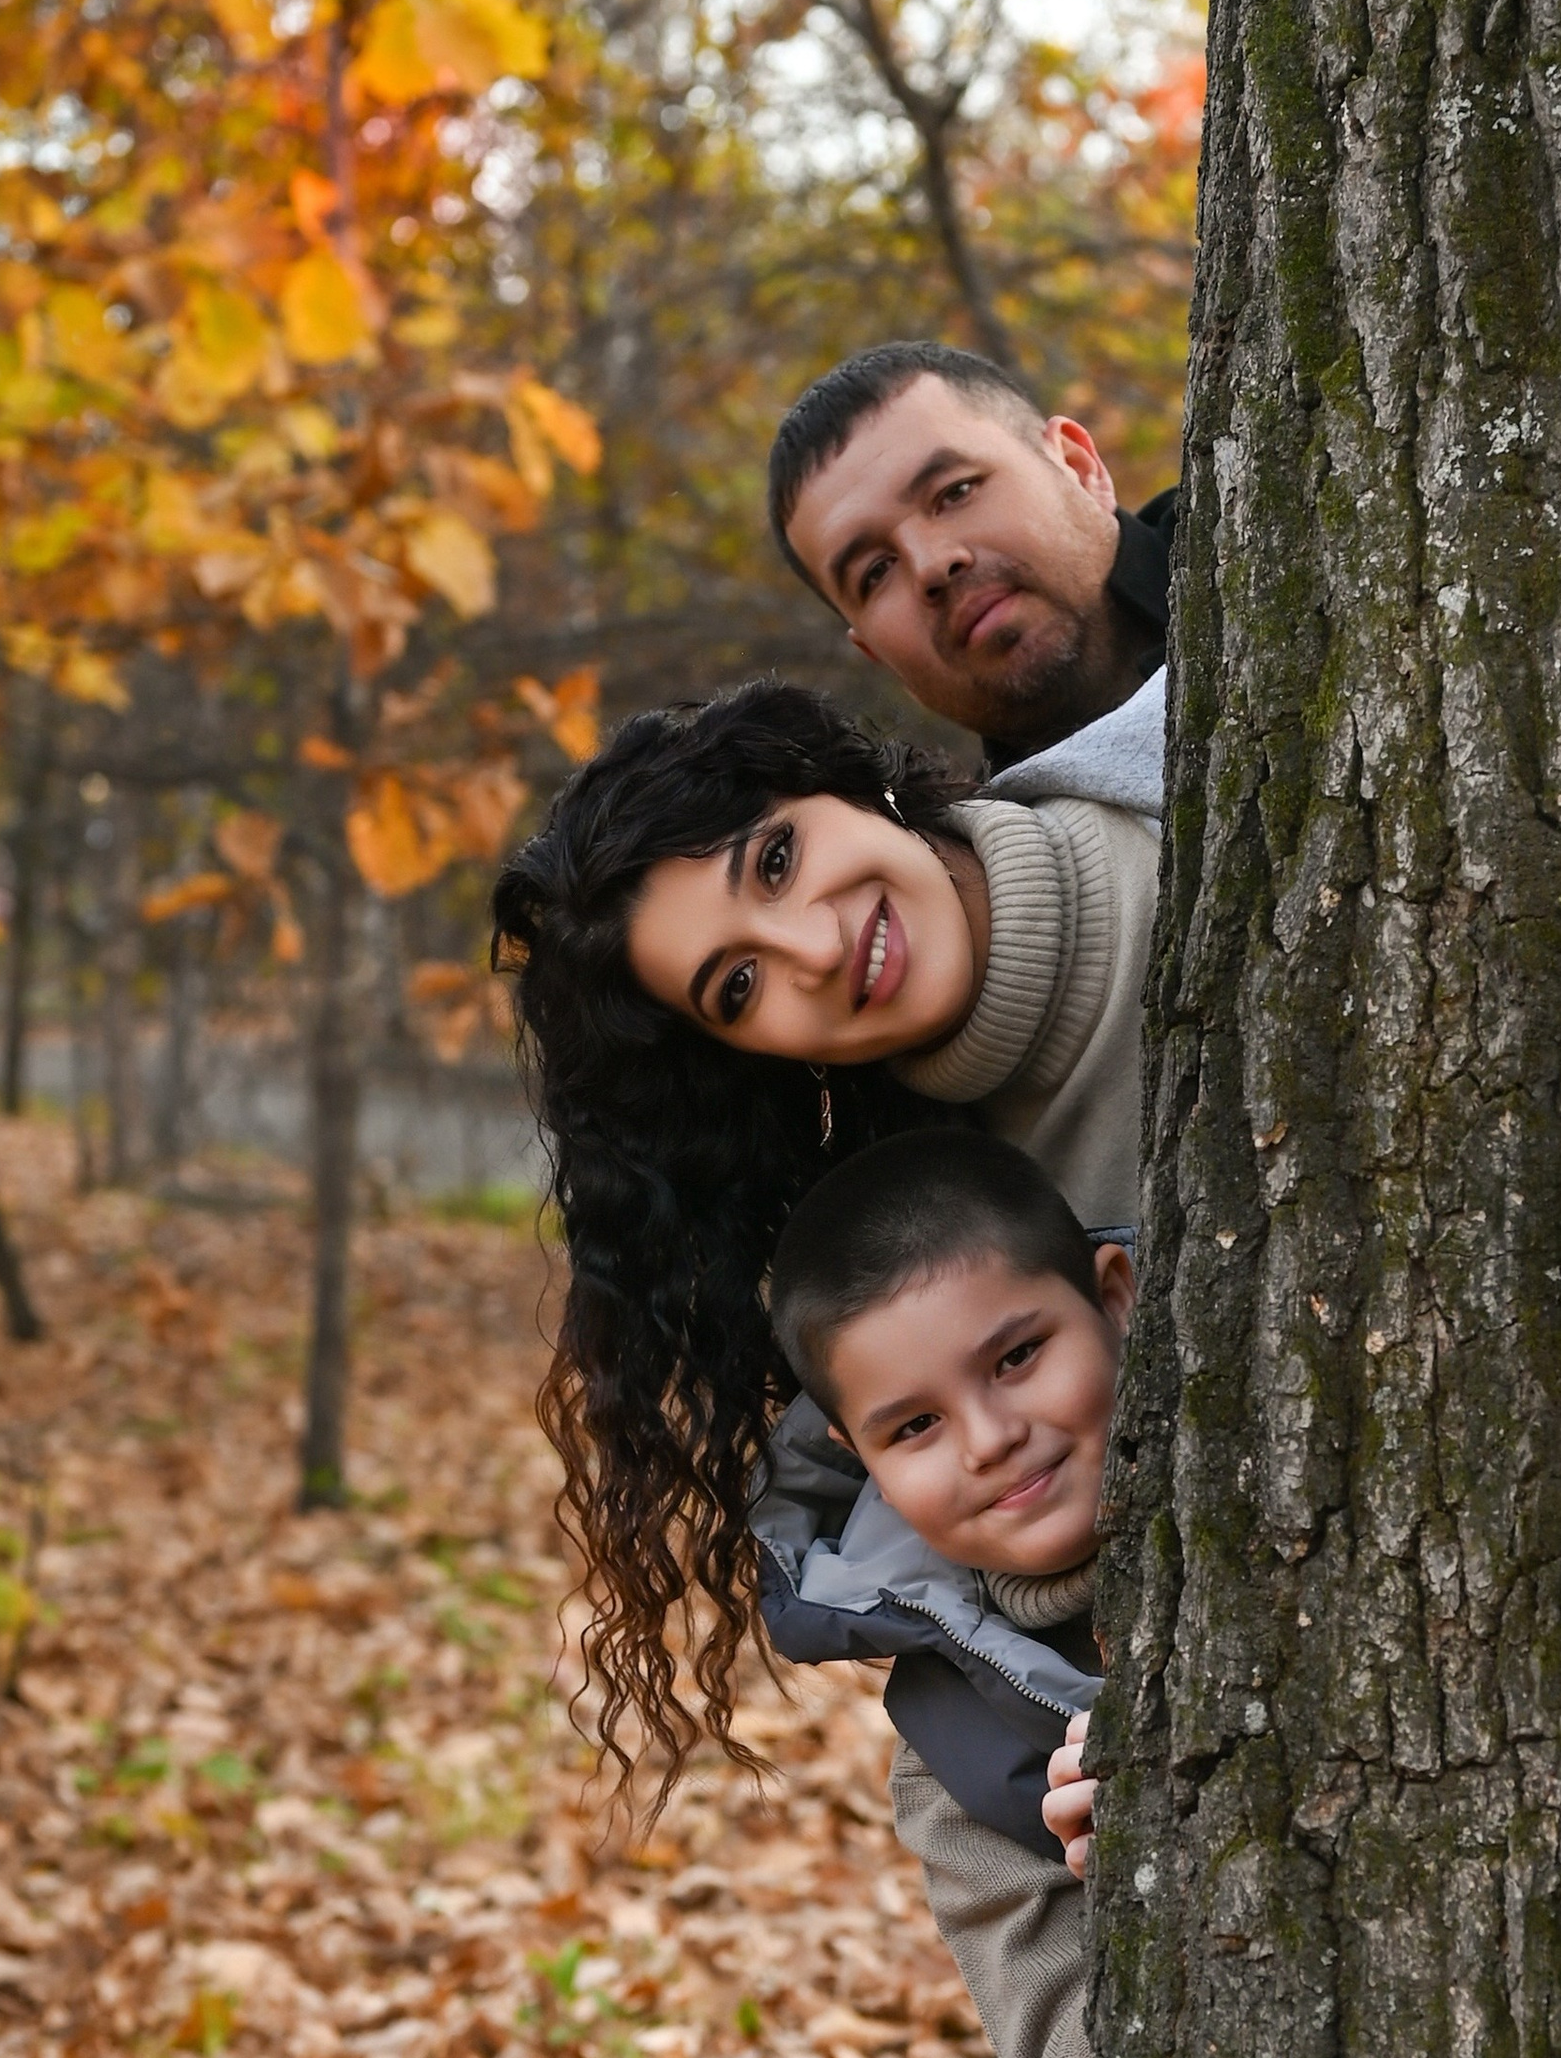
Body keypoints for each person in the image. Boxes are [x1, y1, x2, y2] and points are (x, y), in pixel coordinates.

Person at [491, 679, 1156, 1787]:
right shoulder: (941, 1234)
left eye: (777, 860)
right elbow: (977, 1659)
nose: (813, 947)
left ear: (847, 788)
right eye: (739, 985)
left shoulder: (1195, 799)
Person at [761, 1134, 1118, 2058]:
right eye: (914, 1425)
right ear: (856, 1459)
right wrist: (1151, 1883)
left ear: (1117, 1295)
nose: (989, 1438)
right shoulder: (954, 1764)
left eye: (1016, 1359)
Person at [768, 340, 1174, 778]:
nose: (930, 565)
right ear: (878, 654)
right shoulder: (981, 846)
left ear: (1077, 468)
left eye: (956, 492)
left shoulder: (1254, 552)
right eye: (877, 572)